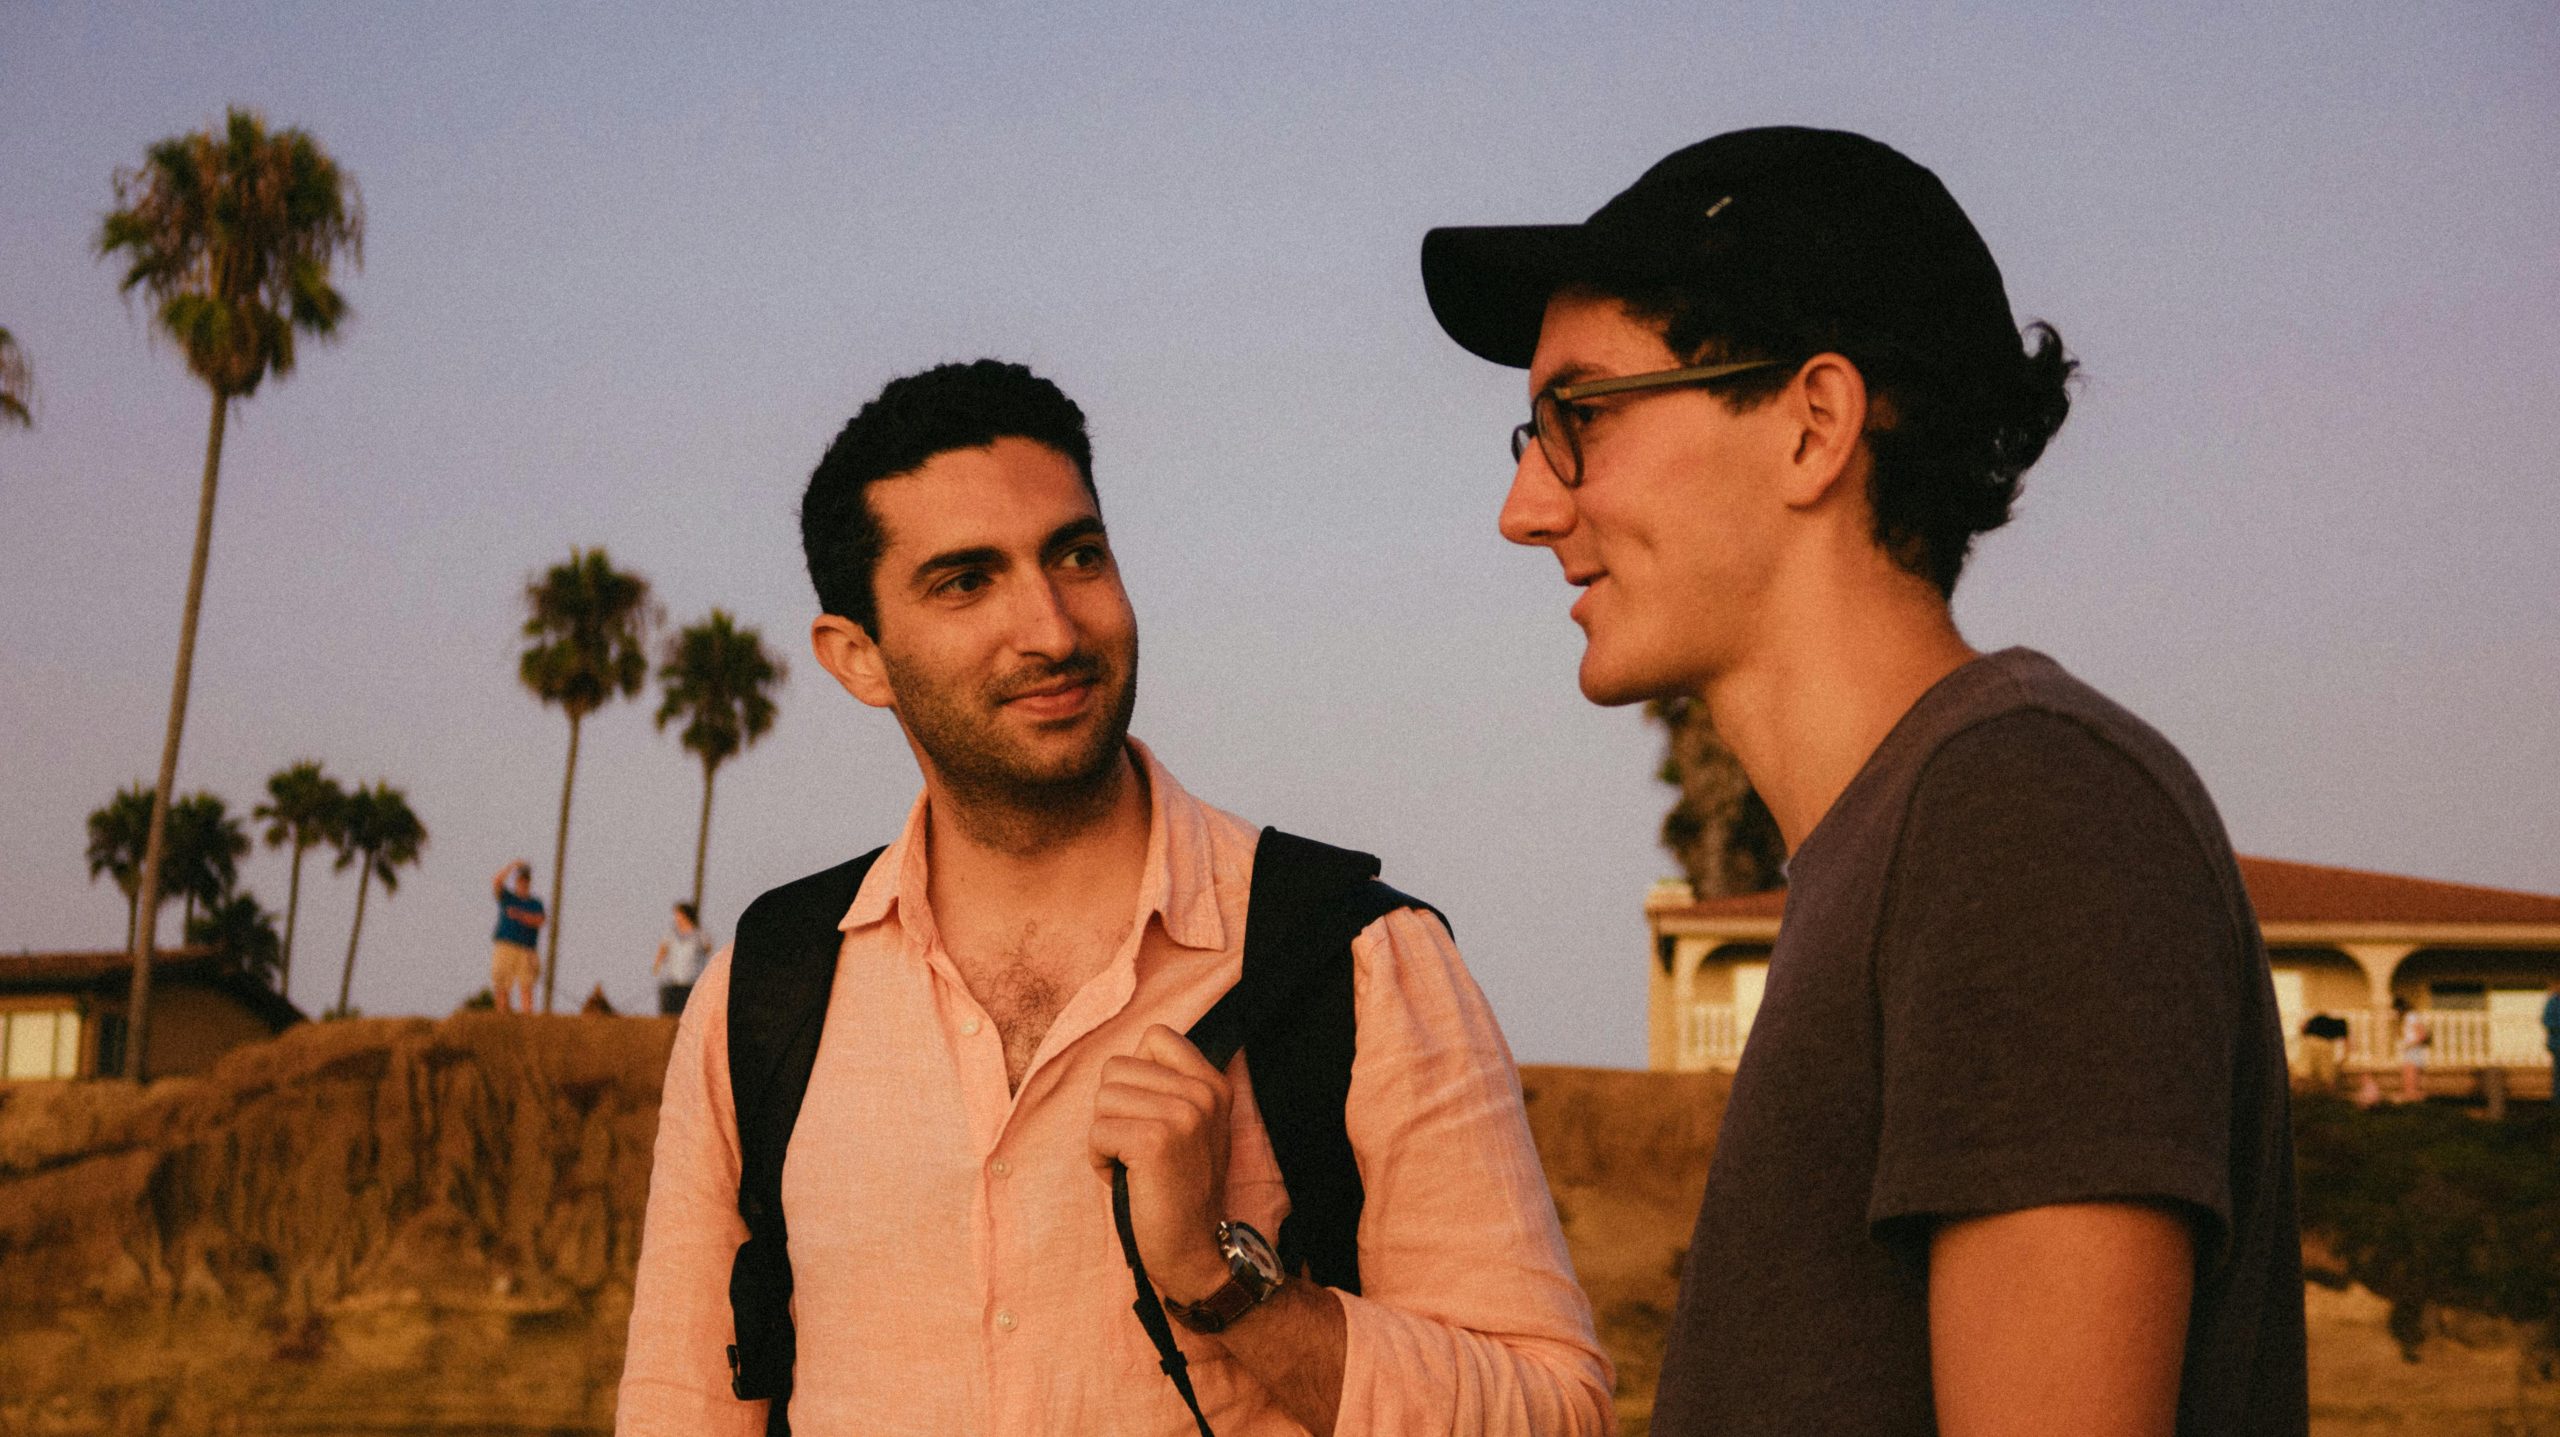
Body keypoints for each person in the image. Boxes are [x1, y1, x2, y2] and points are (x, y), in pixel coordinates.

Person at [1422, 126, 2306, 1435]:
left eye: (1581, 418)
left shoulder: (2024, 812)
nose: (1525, 506)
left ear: (1813, 425)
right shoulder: (1914, 835)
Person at [616, 360, 1610, 1435]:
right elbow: (681, 1409)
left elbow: (1555, 1416)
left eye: (1076, 556)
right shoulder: (766, 992)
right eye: (965, 581)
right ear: (858, 658)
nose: (1051, 628)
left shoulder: (1358, 959)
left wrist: (1223, 1284)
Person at [489, 861, 544, 1014]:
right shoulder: (508, 897)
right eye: (520, 879)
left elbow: (539, 920)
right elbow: (496, 882)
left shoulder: (535, 903)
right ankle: (502, 1018)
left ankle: (527, 1020)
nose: (523, 883)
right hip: (506, 946)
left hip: (527, 950)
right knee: (502, 985)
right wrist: (511, 866)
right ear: (516, 881)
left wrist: (519, 915)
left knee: (526, 986)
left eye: (525, 880)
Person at [651, 901, 710, 1016]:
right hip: (672, 982)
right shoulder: (670, 934)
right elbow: (663, 950)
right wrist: (657, 965)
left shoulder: (699, 935)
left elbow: (708, 949)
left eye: (678, 915)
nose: (676, 918)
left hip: (691, 983)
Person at [2395, 994, 2430, 1102]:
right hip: (2411, 1048)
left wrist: (2410, 1044)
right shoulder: (2408, 1017)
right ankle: (2411, 1098)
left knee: (2411, 1077)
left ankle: (2413, 1099)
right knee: (2408, 1076)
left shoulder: (2412, 1016)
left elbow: (2422, 1034)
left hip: (2414, 1049)